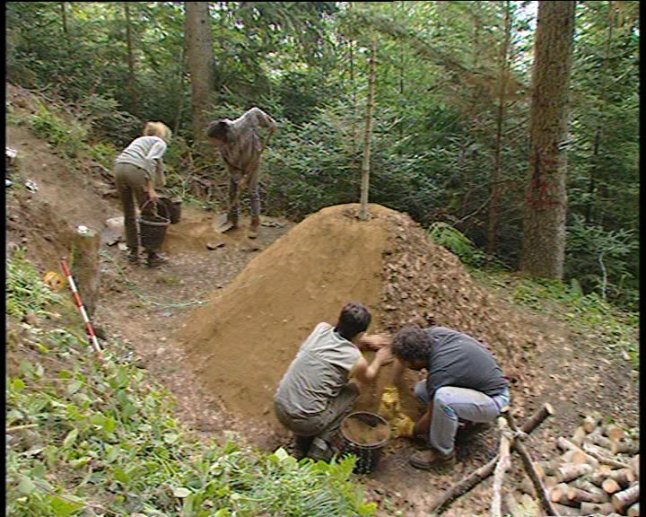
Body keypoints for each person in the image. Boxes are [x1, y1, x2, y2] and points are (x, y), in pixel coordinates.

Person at [274, 302, 392, 461]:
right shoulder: (355, 359)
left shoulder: (321, 329)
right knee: (352, 390)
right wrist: (379, 359)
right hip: (307, 422)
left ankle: (302, 442)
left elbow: (341, 341)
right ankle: (321, 444)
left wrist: (364, 340)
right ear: (360, 334)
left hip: (280, 408)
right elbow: (368, 377)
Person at [390, 323, 510, 470]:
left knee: (443, 399)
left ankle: (442, 457)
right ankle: (468, 422)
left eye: (406, 363)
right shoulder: (430, 335)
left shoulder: (441, 371)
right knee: (422, 391)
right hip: (479, 387)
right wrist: (392, 385)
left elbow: (431, 413)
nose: (404, 365)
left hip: (494, 400)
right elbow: (401, 356)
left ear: (417, 361)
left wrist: (411, 429)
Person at [206, 107, 277, 239]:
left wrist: (270, 123)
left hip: (253, 160)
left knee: (252, 192)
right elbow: (230, 166)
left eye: (214, 140)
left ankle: (255, 222)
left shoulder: (240, 125)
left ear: (221, 136)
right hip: (237, 167)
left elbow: (255, 111)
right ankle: (232, 220)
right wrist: (240, 179)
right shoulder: (222, 148)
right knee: (232, 192)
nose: (213, 143)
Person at [113, 121, 172, 268]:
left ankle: (132, 252)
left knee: (129, 212)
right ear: (161, 134)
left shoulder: (140, 141)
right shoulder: (159, 143)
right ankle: (152, 255)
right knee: (148, 210)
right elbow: (150, 161)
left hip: (119, 168)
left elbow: (158, 169)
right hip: (135, 169)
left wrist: (157, 185)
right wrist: (150, 189)